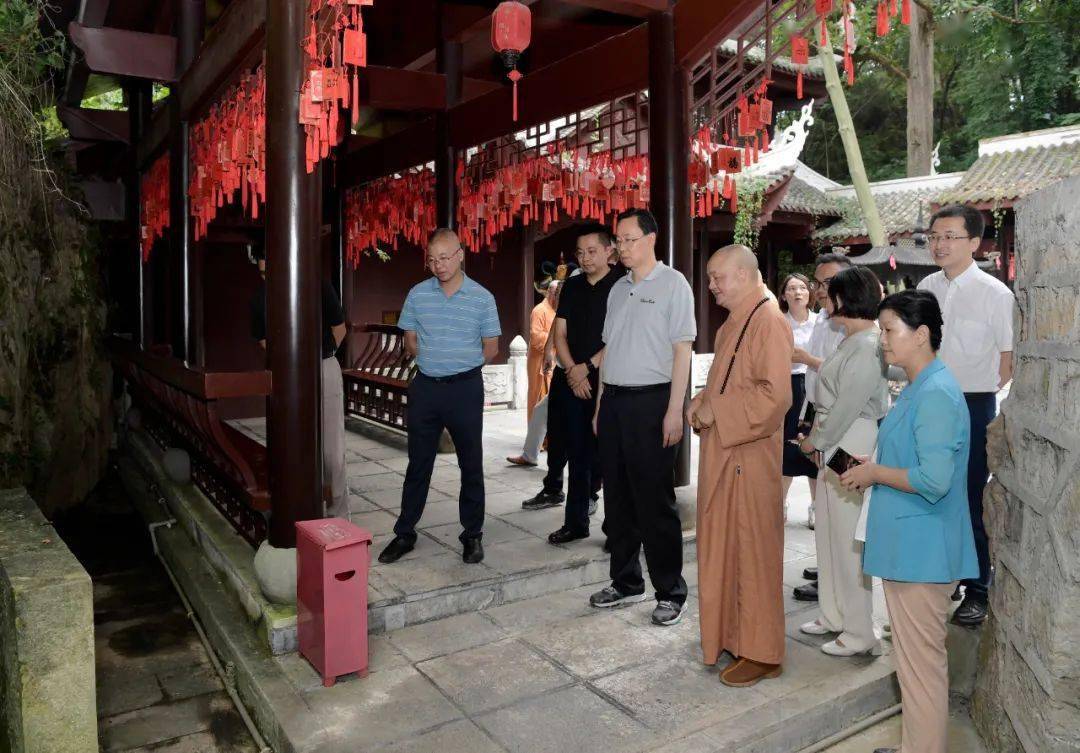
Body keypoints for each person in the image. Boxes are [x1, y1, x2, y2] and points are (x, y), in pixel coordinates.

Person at [839, 289, 978, 753]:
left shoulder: (936, 391)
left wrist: (876, 472)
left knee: (921, 671)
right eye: (881, 330)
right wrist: (871, 460)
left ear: (921, 335)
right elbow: (915, 456)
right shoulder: (921, 384)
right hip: (911, 544)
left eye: (890, 330)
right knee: (915, 666)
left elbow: (934, 480)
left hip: (923, 550)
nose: (882, 340)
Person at [689, 245, 792, 687]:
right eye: (710, 278)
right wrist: (703, 400)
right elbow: (729, 381)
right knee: (727, 547)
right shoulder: (739, 317)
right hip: (728, 453)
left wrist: (717, 412)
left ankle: (763, 651)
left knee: (752, 552)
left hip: (748, 457)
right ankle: (733, 635)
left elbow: (775, 398)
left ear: (746, 276)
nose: (711, 286)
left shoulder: (768, 319)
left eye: (718, 277)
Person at [588, 208, 695, 627]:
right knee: (617, 499)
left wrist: (675, 410)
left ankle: (670, 591)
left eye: (629, 238)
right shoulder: (617, 290)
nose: (622, 247)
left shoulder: (674, 285)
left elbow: (682, 350)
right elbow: (609, 352)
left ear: (651, 238)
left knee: (654, 501)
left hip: (652, 403)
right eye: (619, 239)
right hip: (613, 402)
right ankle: (625, 580)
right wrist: (600, 406)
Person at [377, 229, 501, 565]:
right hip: (426, 388)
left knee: (470, 463)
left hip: (464, 388)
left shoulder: (482, 297)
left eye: (444, 257)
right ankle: (405, 533)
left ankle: (472, 535)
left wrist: (458, 362)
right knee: (418, 462)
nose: (438, 265)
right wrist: (435, 362)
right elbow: (410, 341)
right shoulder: (418, 295)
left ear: (461, 254)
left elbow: (491, 347)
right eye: (432, 259)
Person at [917, 204, 1014, 627]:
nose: (939, 243)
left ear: (975, 243)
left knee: (971, 494)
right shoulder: (925, 287)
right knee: (931, 490)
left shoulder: (996, 295)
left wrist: (976, 398)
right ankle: (944, 575)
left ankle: (978, 587)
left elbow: (1008, 361)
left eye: (950, 236)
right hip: (927, 400)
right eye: (935, 235)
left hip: (973, 404)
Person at [797, 267, 888, 656]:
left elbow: (847, 407)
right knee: (830, 530)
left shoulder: (868, 344)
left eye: (826, 291)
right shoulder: (851, 338)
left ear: (844, 299)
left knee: (849, 538)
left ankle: (859, 630)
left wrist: (814, 441)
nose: (821, 295)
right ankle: (834, 614)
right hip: (835, 440)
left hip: (849, 439)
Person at [249, 245, 349, 518]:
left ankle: (339, 518)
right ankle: (304, 515)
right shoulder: (260, 300)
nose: (268, 277)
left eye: (272, 270)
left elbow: (339, 329)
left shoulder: (318, 286)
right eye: (262, 273)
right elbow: (264, 342)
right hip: (285, 376)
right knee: (295, 446)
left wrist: (319, 357)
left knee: (331, 451)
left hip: (323, 367)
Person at [545, 224, 620, 544]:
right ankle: (575, 522)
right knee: (576, 452)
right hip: (571, 376)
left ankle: (617, 530)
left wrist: (586, 367)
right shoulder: (572, 287)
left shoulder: (622, 285)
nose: (586, 258)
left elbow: (620, 336)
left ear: (609, 251)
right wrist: (573, 369)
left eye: (592, 251)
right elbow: (559, 332)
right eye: (580, 253)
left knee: (611, 457)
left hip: (609, 378)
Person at [790, 252, 853, 601]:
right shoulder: (824, 321)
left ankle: (840, 578)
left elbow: (839, 374)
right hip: (818, 415)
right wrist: (806, 419)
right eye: (819, 282)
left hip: (843, 427)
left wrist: (804, 358)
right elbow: (815, 379)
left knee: (843, 502)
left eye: (828, 282)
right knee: (825, 501)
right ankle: (828, 566)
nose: (820, 289)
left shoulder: (857, 326)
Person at [779, 273, 819, 520]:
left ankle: (816, 507)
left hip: (814, 384)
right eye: (791, 288)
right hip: (787, 385)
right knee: (787, 444)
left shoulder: (820, 322)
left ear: (809, 293)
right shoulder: (778, 322)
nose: (797, 292)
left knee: (814, 441)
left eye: (802, 288)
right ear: (783, 295)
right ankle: (780, 504)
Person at [527, 280, 560, 421]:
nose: (557, 297)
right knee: (538, 398)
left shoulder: (557, 311)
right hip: (539, 363)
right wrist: (556, 339)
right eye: (555, 294)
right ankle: (537, 439)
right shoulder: (539, 310)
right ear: (549, 292)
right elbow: (536, 337)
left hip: (554, 362)